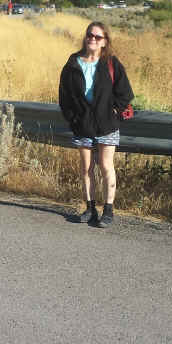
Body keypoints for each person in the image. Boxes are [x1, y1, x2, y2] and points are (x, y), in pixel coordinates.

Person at [58, 21, 134, 228]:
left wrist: (113, 111)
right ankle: (89, 209)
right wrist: (73, 118)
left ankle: (108, 210)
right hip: (82, 124)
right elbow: (64, 96)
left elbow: (125, 93)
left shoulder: (111, 63)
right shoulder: (73, 62)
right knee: (86, 168)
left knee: (106, 166)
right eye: (90, 35)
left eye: (98, 37)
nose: (92, 39)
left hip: (107, 124)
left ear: (105, 42)